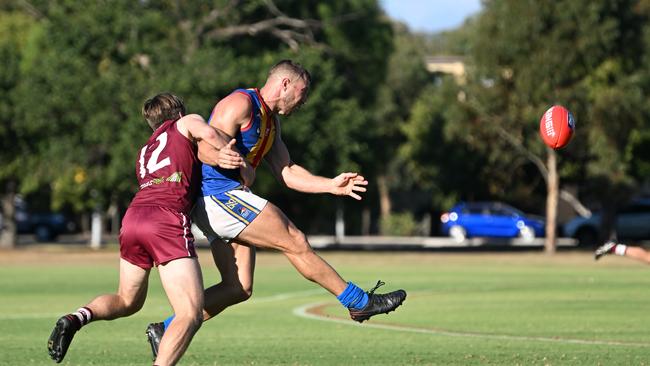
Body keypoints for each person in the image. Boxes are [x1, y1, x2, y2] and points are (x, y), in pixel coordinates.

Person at [145, 60, 407, 358]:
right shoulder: (240, 103)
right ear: (285, 85)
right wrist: (226, 159)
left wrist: (331, 185)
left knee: (238, 287)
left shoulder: (271, 123)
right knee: (294, 240)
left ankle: (166, 329)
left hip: (223, 201)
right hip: (217, 196)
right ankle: (358, 302)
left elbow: (287, 171)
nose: (304, 100)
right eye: (302, 92)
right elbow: (203, 146)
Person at [47, 93, 247, 366]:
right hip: (165, 219)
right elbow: (209, 133)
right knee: (189, 313)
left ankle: (77, 317)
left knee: (127, 300)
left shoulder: (146, 149)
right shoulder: (186, 121)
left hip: (133, 218)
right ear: (178, 112)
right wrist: (232, 156)